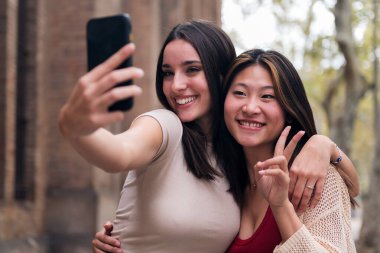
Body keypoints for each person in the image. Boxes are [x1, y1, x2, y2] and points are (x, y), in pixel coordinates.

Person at [58, 20, 358, 253]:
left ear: (219, 76)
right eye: (166, 72)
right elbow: (118, 153)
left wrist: (324, 148)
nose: (176, 86)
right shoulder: (172, 131)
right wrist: (78, 127)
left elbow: (350, 189)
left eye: (192, 70)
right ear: (229, 93)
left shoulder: (288, 172)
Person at [221, 49, 357, 252]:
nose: (250, 107)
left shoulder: (315, 177)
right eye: (240, 93)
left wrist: (281, 205)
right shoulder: (221, 174)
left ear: (289, 110)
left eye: (267, 96)